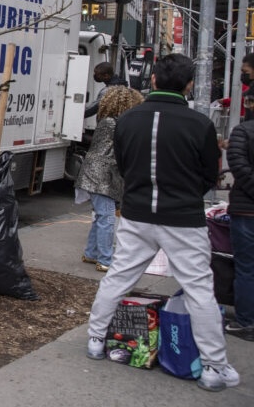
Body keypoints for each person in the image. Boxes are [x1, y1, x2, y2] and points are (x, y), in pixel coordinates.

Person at [85, 54, 239, 392]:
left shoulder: (128, 120)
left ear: (152, 80)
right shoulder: (199, 124)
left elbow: (123, 166)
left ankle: (96, 338)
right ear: (188, 85)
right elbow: (208, 175)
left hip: (138, 212)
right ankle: (214, 365)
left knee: (119, 275)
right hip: (183, 216)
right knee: (199, 289)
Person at [75, 86, 144, 272]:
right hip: (102, 176)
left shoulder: (107, 121)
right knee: (106, 218)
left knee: (101, 216)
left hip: (97, 174)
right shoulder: (116, 124)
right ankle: (105, 259)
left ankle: (91, 253)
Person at [224, 89, 254, 342]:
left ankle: (246, 321)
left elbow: (238, 165)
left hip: (246, 209)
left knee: (246, 267)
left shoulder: (243, 132)